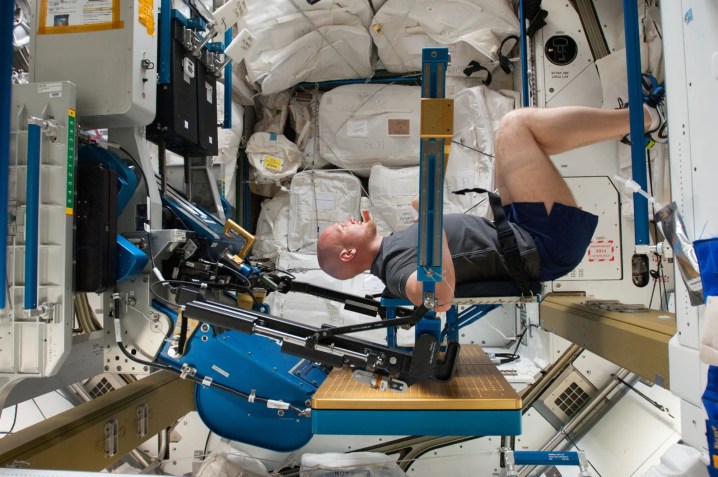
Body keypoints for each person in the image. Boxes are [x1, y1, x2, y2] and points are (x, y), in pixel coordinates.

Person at [317, 104, 664, 312]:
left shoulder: (390, 247)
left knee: (506, 131)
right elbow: (437, 298)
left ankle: (635, 120)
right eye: (343, 227)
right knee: (517, 126)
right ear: (347, 254)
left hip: (514, 230)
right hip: (541, 245)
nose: (349, 220)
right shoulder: (393, 271)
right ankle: (644, 118)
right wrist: (430, 222)